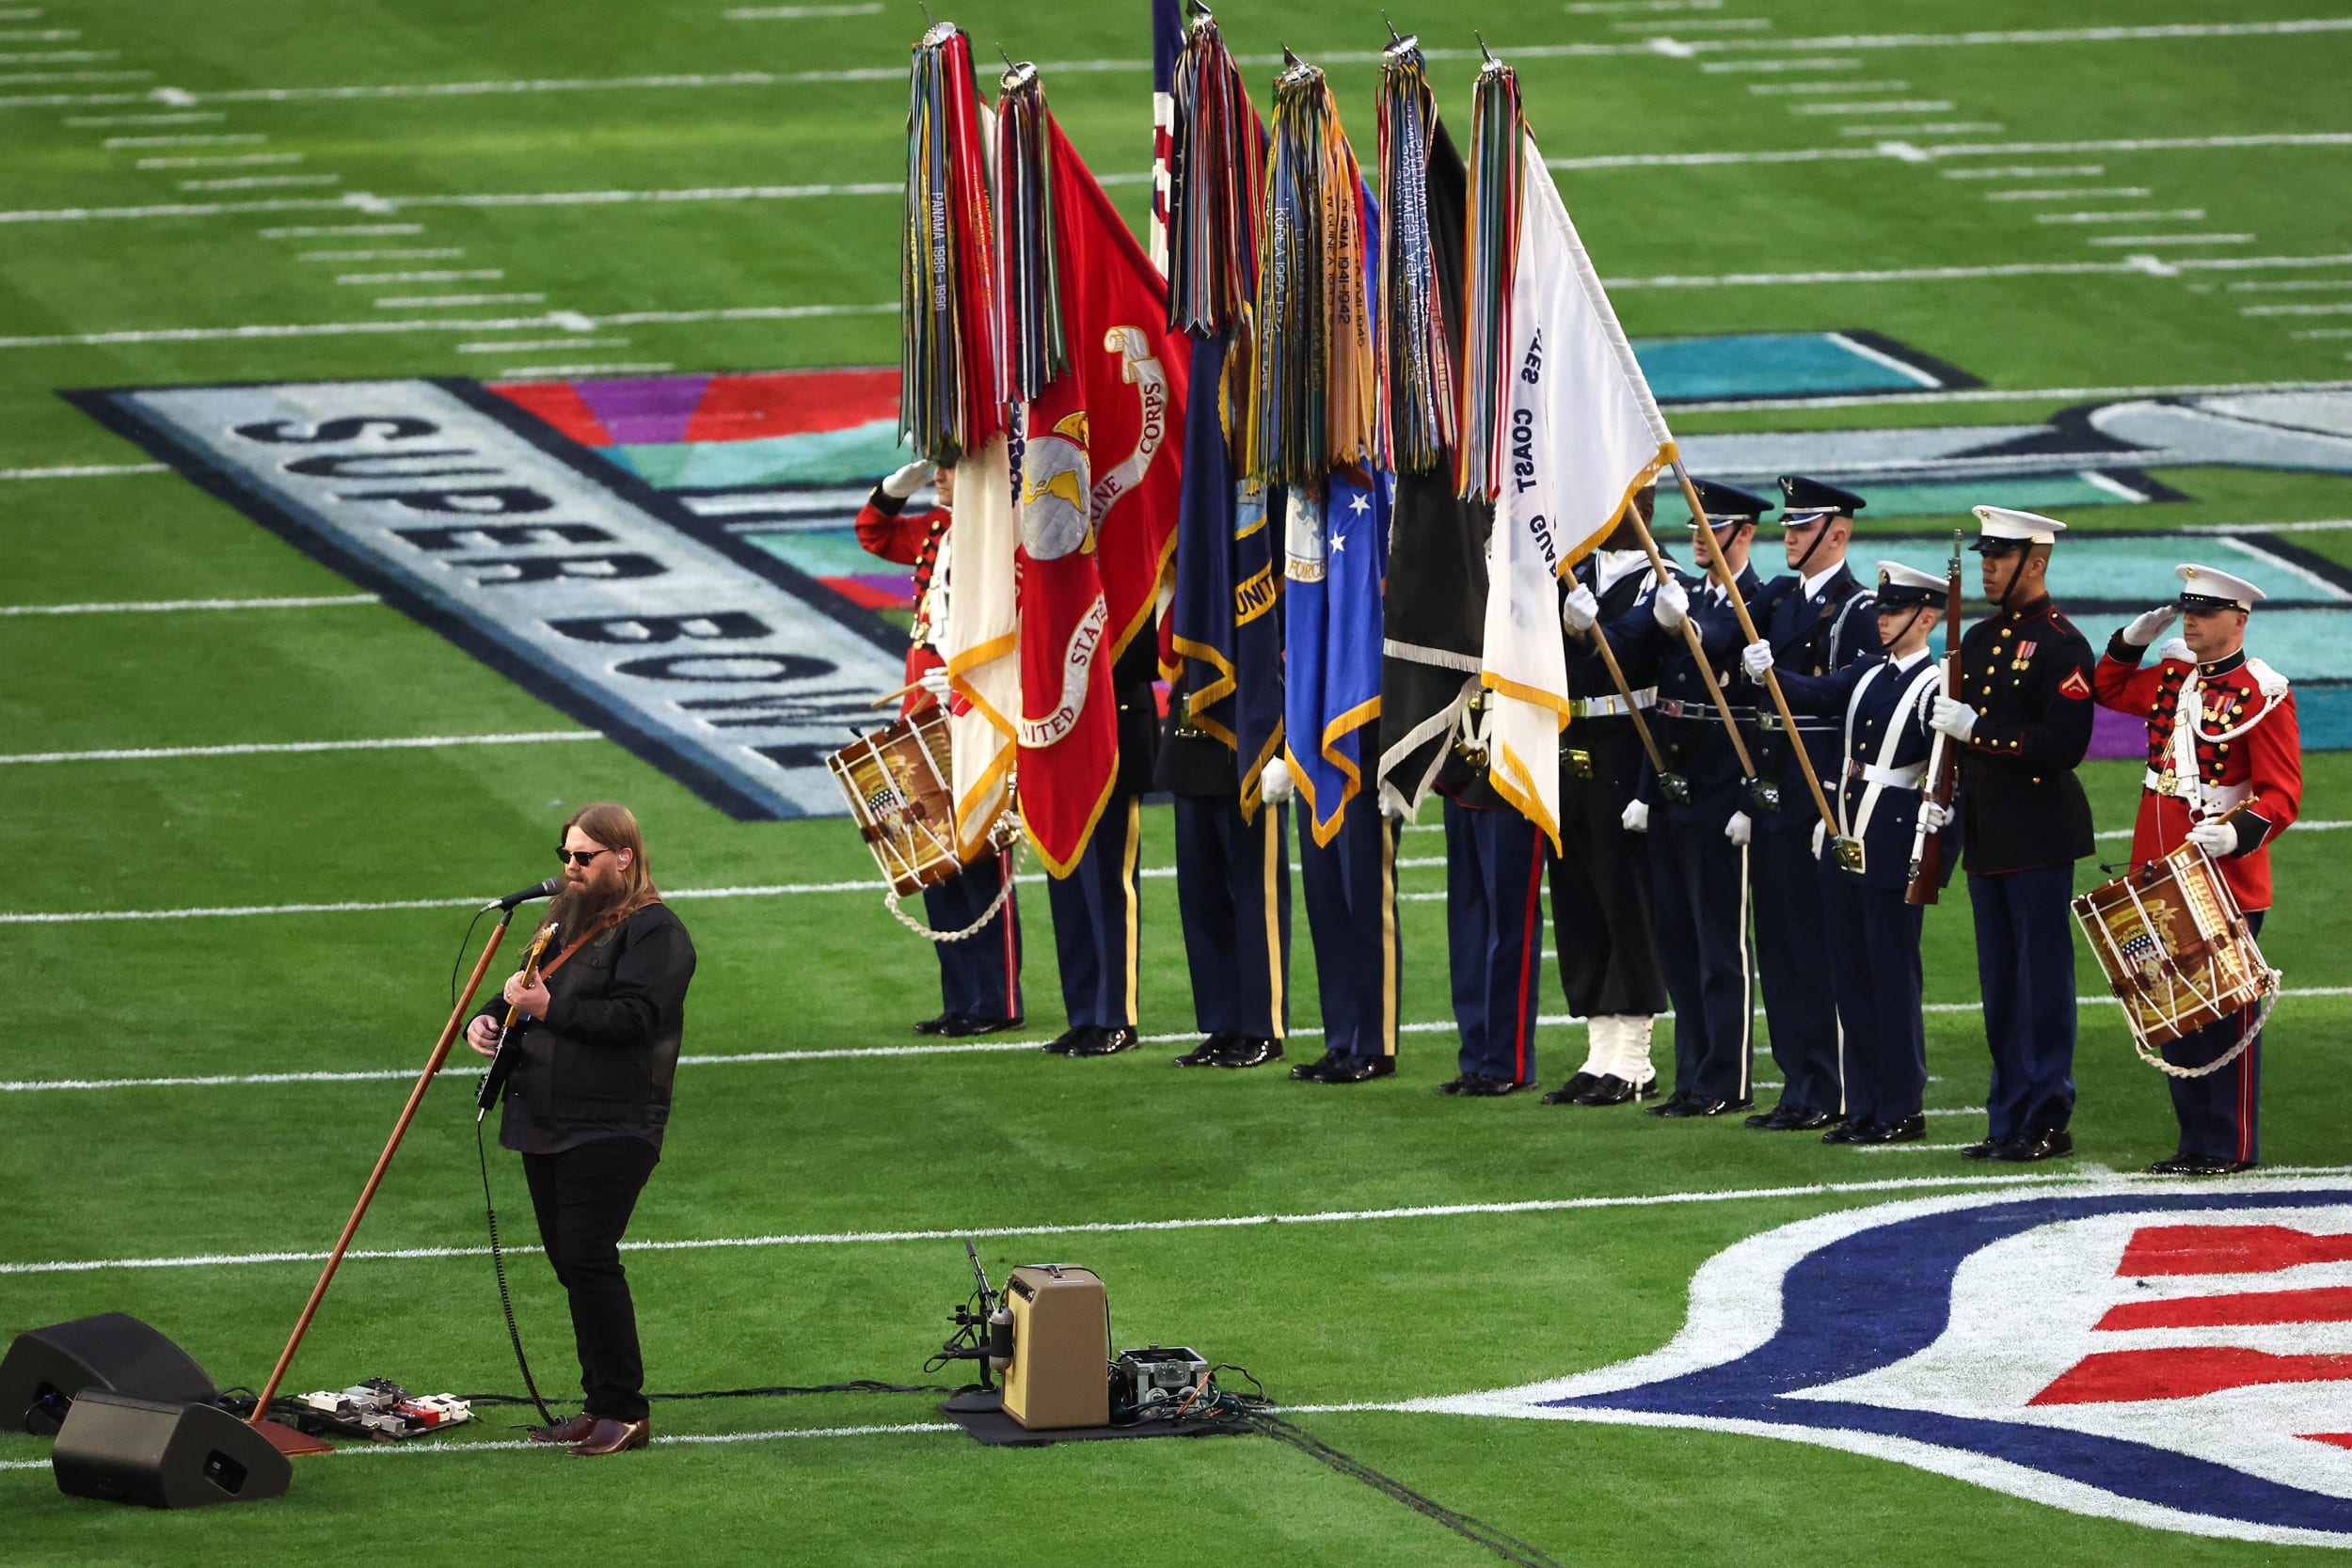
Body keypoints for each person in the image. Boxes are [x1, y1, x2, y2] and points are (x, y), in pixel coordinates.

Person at [467, 801, 696, 1458]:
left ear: (623, 857)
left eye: (584, 857)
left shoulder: (656, 932)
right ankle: (601, 1402)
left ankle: (623, 1409)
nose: (570, 867)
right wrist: (488, 1017)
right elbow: (524, 984)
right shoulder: (563, 918)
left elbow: (634, 1019)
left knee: (589, 1255)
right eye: (566, 855)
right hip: (545, 1113)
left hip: (613, 1118)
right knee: (572, 1260)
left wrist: (548, 1008)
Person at [2094, 564, 2302, 1174]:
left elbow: (2281, 792)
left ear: (2238, 620)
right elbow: (2108, 688)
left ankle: (2229, 1145)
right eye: (2189, 609)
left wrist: (2235, 831)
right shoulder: (2173, 680)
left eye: (2206, 612)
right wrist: (2130, 640)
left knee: (2223, 1015)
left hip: (2223, 873)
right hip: (2159, 868)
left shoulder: (2261, 694)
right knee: (2174, 1011)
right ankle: (2194, 1140)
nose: (2192, 620)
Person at [1743, 562, 1950, 1146]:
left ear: (1926, 618)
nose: (1882, 619)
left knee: (1891, 979)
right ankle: (1862, 1104)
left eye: (1896, 611)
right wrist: (1771, 675)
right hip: (1845, 840)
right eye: (1882, 610)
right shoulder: (1868, 672)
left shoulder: (1935, 686)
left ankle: (1901, 1105)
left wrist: (1938, 845)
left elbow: (1946, 778)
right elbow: (1817, 693)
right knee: (1852, 980)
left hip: (1892, 841)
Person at [1929, 506, 2097, 1164]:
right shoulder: (1976, 638)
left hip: (2039, 835)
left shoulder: (2062, 644)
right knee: (2000, 986)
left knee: (2041, 984)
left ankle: (2047, 1115)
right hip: (1988, 834)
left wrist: (1981, 733)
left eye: (1999, 555)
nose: (1987, 566)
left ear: (2038, 561)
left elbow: (2066, 744)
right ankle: (2007, 1116)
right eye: (1984, 554)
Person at [853, 458, 1023, 1038]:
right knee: (936, 865)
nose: (940, 478)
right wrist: (902, 480)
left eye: (950, 469)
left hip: (972, 713)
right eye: (939, 469)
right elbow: (872, 532)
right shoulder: (936, 530)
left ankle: (996, 1000)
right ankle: (960, 1000)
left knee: (981, 859)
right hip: (923, 719)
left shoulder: (1002, 536)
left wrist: (962, 679)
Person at [1740, 476, 1880, 1132]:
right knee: (1781, 946)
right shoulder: (1781, 601)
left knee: (1817, 948)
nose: (1789, 536)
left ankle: (1832, 1085)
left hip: (1819, 792)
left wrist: (1779, 677)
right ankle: (1799, 1082)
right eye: (1788, 526)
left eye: (1803, 526)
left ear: (1838, 533)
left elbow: (1852, 692)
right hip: (1774, 786)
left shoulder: (1859, 609)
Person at [1633, 479, 1767, 1119]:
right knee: (1678, 940)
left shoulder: (1761, 603)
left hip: (1722, 788)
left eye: (1711, 527)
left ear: (1744, 534)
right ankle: (1691, 1074)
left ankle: (1726, 1075)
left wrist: (1678, 617)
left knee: (1720, 944)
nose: (1697, 537)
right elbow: (1652, 683)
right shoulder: (1684, 595)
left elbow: (1716, 642)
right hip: (1674, 784)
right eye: (1694, 527)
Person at [1541, 490, 1669, 1107]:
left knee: (1626, 897)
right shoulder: (1578, 572)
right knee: (1578, 894)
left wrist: (1581, 625)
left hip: (1625, 742)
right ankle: (1598, 1050)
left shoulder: (1661, 580)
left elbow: (1628, 643)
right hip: (1572, 738)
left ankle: (1635, 1057)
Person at [1159, 697, 1293, 1072]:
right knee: (1201, 896)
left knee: (1257, 897)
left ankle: (1263, 1027)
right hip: (1191, 743)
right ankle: (1223, 1023)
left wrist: (1279, 746)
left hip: (1247, 737)